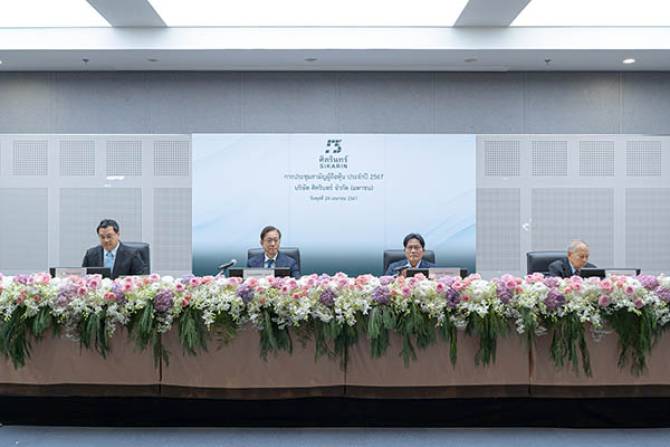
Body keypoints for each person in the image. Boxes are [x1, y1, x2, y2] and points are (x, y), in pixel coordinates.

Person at [82, 219, 148, 279]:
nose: (106, 240)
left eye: (109, 236)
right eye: (102, 237)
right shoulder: (90, 254)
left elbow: (141, 279)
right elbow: (83, 278)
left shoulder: (132, 255)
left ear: (118, 234)